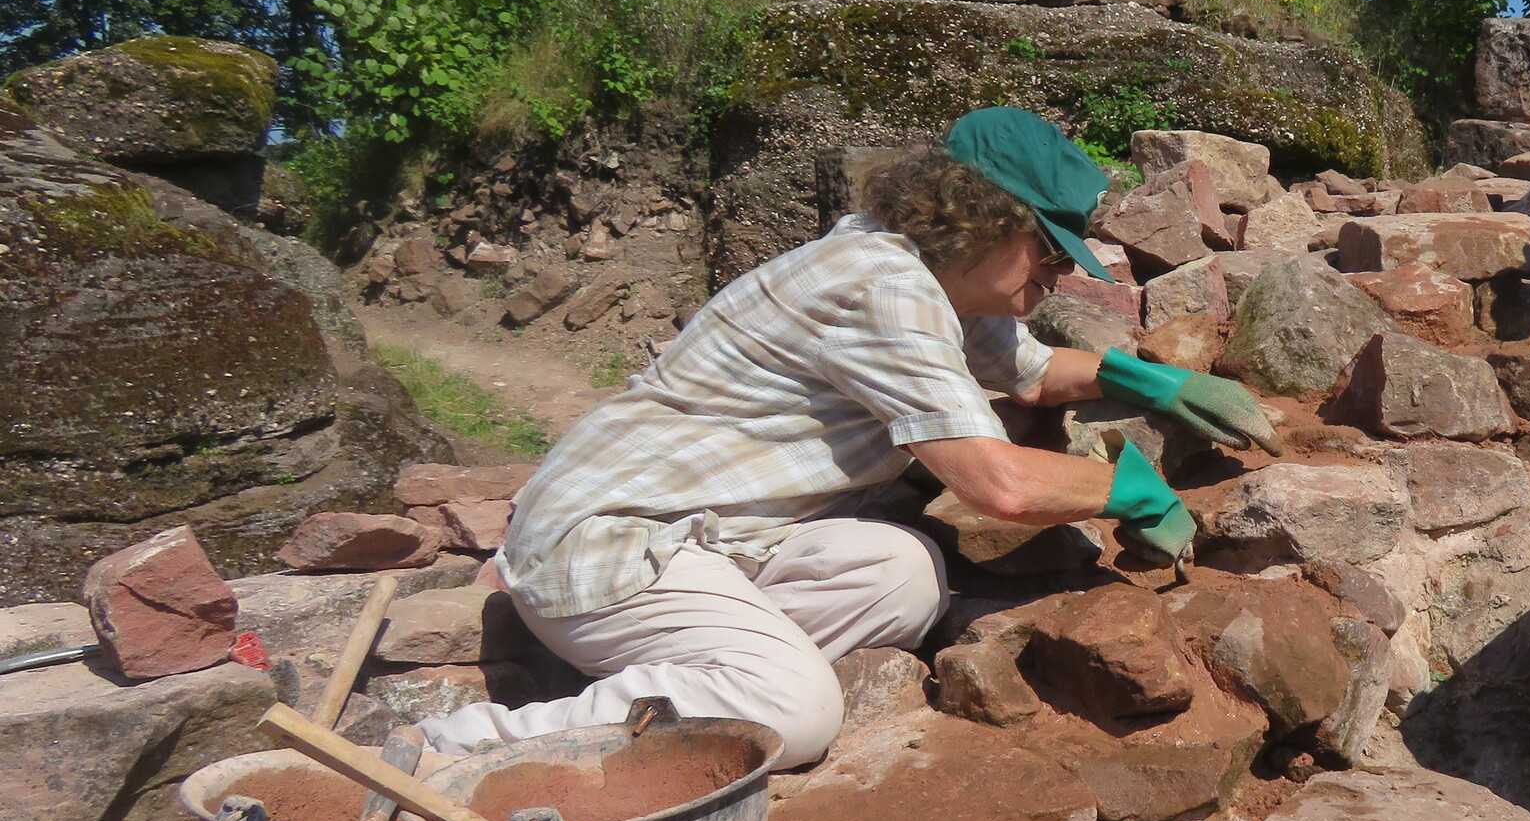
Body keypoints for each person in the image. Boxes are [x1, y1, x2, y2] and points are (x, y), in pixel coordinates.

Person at [410, 106, 1274, 770]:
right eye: (1049, 252)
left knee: (903, 580)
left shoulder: (926, 271)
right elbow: (998, 486)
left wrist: (1152, 380)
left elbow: (1035, 372)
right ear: (984, 220)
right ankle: (469, 748)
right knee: (798, 711)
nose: (1057, 276)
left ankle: (687, 678)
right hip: (608, 544)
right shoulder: (883, 286)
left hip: (710, 536)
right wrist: (1132, 491)